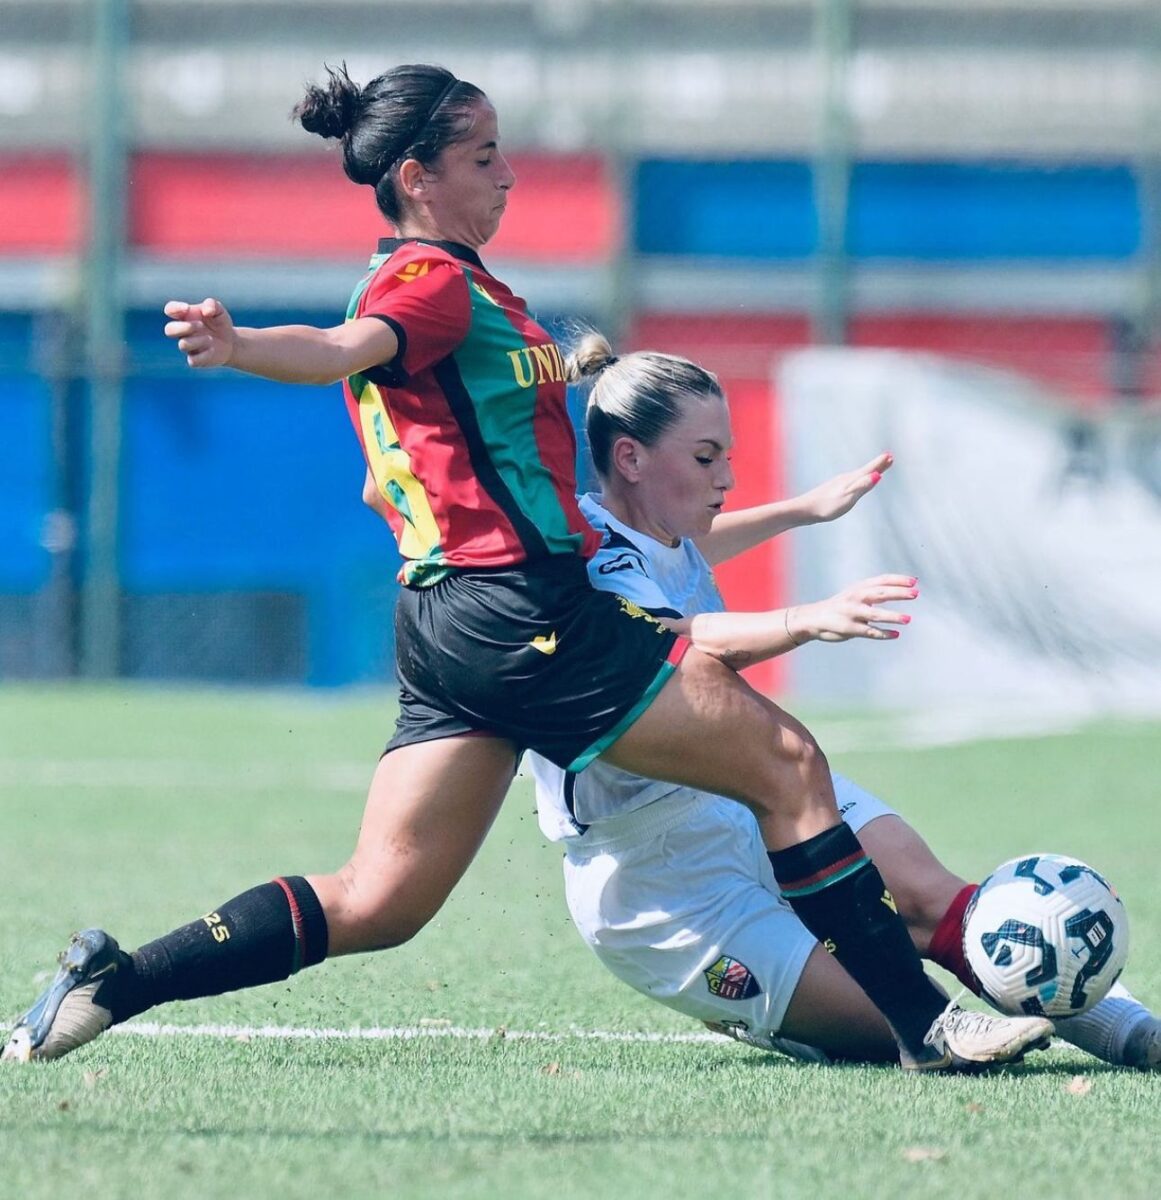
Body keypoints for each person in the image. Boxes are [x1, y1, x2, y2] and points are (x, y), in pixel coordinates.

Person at [4, 63, 1051, 1073]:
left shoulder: (459, 291)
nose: (507, 176)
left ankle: (116, 981)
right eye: (486, 156)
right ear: (418, 177)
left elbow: (407, 463)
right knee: (786, 764)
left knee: (382, 898)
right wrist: (239, 346)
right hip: (524, 613)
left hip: (453, 621)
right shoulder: (427, 280)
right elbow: (341, 348)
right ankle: (928, 1027)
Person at [525, 333, 1160, 1068]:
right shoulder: (589, 550)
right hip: (657, 882)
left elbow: (688, 551)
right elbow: (685, 634)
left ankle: (1129, 1031)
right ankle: (789, 1018)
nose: (725, 476)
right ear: (629, 458)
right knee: (884, 1019)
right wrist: (802, 619)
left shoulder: (656, 531)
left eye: (726, 455)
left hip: (741, 794)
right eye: (705, 459)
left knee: (939, 906)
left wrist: (801, 509)